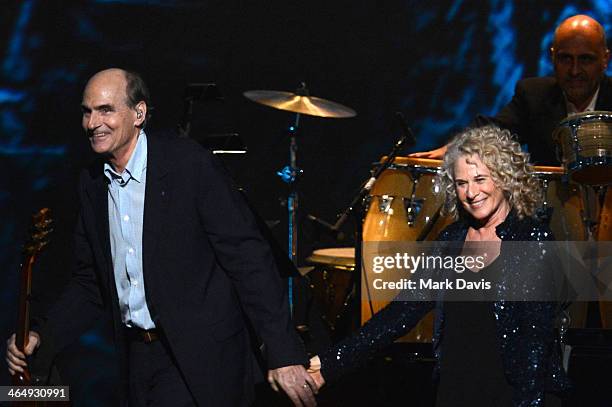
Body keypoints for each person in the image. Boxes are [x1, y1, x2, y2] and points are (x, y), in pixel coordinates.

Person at [5, 68, 318, 407]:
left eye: (105, 110)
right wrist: (42, 335)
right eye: (87, 111)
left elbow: (248, 258)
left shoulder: (188, 165)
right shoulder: (92, 183)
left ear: (138, 113)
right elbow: (91, 283)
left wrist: (283, 352)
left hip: (202, 357)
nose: (92, 122)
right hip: (137, 358)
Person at [307, 126, 570, 406]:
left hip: (515, 395)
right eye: (461, 183)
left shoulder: (532, 238)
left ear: (504, 178)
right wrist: (329, 363)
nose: (471, 192)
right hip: (457, 392)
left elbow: (535, 342)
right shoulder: (451, 240)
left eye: (480, 179)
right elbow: (400, 314)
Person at [411, 14, 611, 165]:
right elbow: (493, 130)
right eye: (566, 59)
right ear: (552, 57)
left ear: (605, 60)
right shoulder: (534, 95)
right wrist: (457, 147)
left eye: (586, 59)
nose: (574, 71)